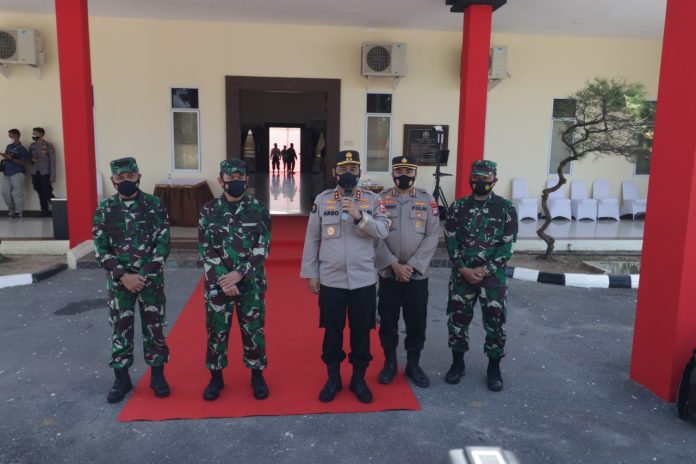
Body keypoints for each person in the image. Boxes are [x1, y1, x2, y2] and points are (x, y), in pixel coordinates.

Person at [301, 150, 390, 404]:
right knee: (332, 332)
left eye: (353, 169)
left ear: (359, 172)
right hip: (331, 280)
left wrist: (360, 217)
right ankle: (333, 377)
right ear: (334, 172)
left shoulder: (372, 199)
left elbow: (383, 229)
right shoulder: (322, 200)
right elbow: (312, 238)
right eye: (343, 169)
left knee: (361, 331)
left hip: (363, 280)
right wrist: (311, 273)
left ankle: (358, 378)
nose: (348, 174)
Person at [92, 157, 171, 403]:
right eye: (121, 177)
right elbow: (100, 249)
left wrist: (143, 275)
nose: (126, 180)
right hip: (120, 283)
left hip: (150, 281)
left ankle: (157, 376)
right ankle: (121, 378)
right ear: (113, 180)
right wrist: (123, 275)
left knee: (154, 329)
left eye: (131, 176)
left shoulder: (155, 205)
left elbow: (163, 244)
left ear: (138, 176)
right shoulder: (104, 209)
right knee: (121, 329)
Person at [198, 159, 271, 401]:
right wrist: (224, 280)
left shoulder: (259, 209)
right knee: (216, 330)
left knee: (253, 330)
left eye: (240, 177)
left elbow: (263, 247)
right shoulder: (209, 210)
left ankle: (257, 375)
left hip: (251, 282)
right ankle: (216, 377)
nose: (236, 181)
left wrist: (239, 274)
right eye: (231, 178)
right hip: (218, 284)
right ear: (221, 181)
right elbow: (205, 248)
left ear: (246, 179)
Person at [443, 160, 518, 392]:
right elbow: (451, 240)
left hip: (493, 278)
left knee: (495, 322)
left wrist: (486, 269)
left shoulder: (506, 208)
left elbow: (507, 246)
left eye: (485, 179)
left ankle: (494, 368)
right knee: (457, 320)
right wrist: (462, 268)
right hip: (462, 275)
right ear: (470, 178)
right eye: (476, 178)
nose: (480, 182)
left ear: (494, 180)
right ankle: (457, 364)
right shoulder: (458, 207)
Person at [375, 155, 440, 388]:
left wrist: (411, 265)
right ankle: (390, 363)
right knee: (388, 320)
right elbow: (376, 236)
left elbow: (432, 235)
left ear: (415, 173)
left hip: (417, 275)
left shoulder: (427, 199)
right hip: (389, 273)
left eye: (408, 172)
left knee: (416, 321)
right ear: (393, 173)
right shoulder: (380, 199)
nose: (404, 176)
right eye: (399, 171)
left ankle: (413, 364)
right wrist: (393, 264)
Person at [28, 127, 56, 216]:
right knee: (39, 191)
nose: (33, 135)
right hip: (35, 172)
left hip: (45, 172)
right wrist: (32, 160)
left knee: (47, 191)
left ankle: (59, 210)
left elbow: (52, 161)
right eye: (33, 133)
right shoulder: (32, 145)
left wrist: (53, 175)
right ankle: (44, 211)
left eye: (35, 133)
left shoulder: (48, 145)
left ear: (41, 134)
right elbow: (29, 158)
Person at [1, 129, 29, 218]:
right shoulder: (9, 146)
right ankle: (11, 211)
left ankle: (18, 212)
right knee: (5, 192)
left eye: (11, 136)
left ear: (17, 136)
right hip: (7, 172)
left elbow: (24, 163)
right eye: (9, 136)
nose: (9, 137)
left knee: (17, 193)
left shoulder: (22, 149)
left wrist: (12, 159)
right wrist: (5, 156)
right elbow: (6, 157)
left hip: (17, 172)